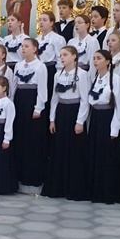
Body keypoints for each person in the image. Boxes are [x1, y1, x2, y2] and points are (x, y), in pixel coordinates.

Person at [41, 46, 90, 200]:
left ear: (74, 57)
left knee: (74, 151)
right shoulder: (57, 74)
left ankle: (74, 188)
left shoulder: (82, 75)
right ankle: (58, 187)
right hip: (61, 112)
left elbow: (84, 100)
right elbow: (54, 99)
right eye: (61, 55)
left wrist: (80, 121)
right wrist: (52, 119)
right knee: (59, 149)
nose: (62, 58)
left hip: (74, 111)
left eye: (65, 55)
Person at [88, 50, 120, 204]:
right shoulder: (95, 78)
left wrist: (115, 128)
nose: (95, 61)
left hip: (108, 118)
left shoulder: (116, 79)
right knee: (95, 156)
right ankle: (95, 192)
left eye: (99, 58)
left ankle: (109, 193)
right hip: (96, 118)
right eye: (94, 58)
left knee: (108, 158)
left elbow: (119, 105)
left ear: (108, 61)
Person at [14, 38, 48, 191]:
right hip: (20, 101)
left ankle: (33, 175)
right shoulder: (18, 65)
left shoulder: (40, 66)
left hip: (32, 101)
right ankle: (20, 173)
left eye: (27, 46)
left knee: (32, 140)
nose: (23, 49)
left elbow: (42, 89)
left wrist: (38, 108)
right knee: (20, 138)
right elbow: (15, 85)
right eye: (22, 46)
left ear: (35, 49)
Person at [37, 11, 67, 102]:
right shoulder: (37, 39)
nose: (41, 22)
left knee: (50, 94)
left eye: (45, 20)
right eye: (40, 20)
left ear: (51, 23)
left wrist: (59, 74)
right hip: (39, 69)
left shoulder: (58, 39)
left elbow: (60, 58)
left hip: (51, 70)